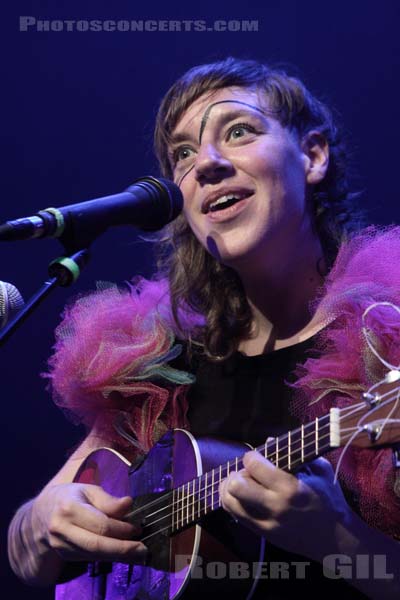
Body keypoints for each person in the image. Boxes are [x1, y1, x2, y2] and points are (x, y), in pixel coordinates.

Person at [7, 57, 400, 599]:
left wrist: (339, 539)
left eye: (239, 131)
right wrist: (40, 522)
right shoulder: (159, 361)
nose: (207, 164)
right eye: (183, 154)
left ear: (312, 156)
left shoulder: (388, 340)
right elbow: (28, 555)